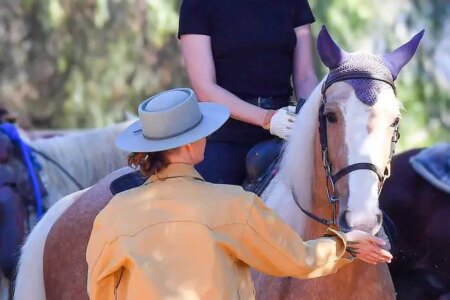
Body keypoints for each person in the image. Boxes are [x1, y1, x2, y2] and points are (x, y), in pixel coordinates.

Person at [86, 89, 392, 300]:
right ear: (193, 144)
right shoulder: (235, 205)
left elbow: (99, 290)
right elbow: (299, 259)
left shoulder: (112, 215)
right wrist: (345, 247)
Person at [178, 0, 318, 184]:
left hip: (286, 129)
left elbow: (305, 76)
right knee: (207, 204)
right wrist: (267, 118)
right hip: (225, 134)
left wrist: (310, 117)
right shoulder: (197, 4)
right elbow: (205, 88)